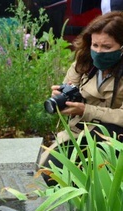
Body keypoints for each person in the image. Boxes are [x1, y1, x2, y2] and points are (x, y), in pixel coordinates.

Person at [40, 12, 123, 178]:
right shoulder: (83, 62)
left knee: (94, 173)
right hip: (79, 131)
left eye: (107, 47)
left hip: (114, 136)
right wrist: (61, 96)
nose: (99, 52)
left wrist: (85, 110)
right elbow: (69, 87)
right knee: (50, 174)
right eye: (95, 45)